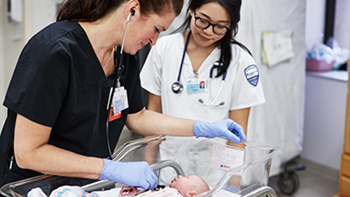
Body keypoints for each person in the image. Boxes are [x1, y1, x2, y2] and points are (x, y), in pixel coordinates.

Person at [0, 0, 247, 194]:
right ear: (132, 9)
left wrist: (201, 128)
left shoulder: (123, 55)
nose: (154, 40)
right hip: (34, 188)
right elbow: (28, 152)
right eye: (156, 29)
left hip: (89, 185)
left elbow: (137, 117)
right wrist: (109, 168)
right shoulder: (54, 52)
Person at [140, 0, 265, 186]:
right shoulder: (163, 49)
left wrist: (233, 186)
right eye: (203, 20)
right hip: (171, 170)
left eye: (220, 27)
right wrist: (147, 167)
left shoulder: (241, 62)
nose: (208, 31)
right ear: (191, 10)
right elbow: (153, 118)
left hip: (216, 176)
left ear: (231, 26)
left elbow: (237, 138)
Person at [28, 174, 209, 197]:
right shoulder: (163, 191)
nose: (179, 175)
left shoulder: (173, 195)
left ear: (191, 195)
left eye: (186, 176)